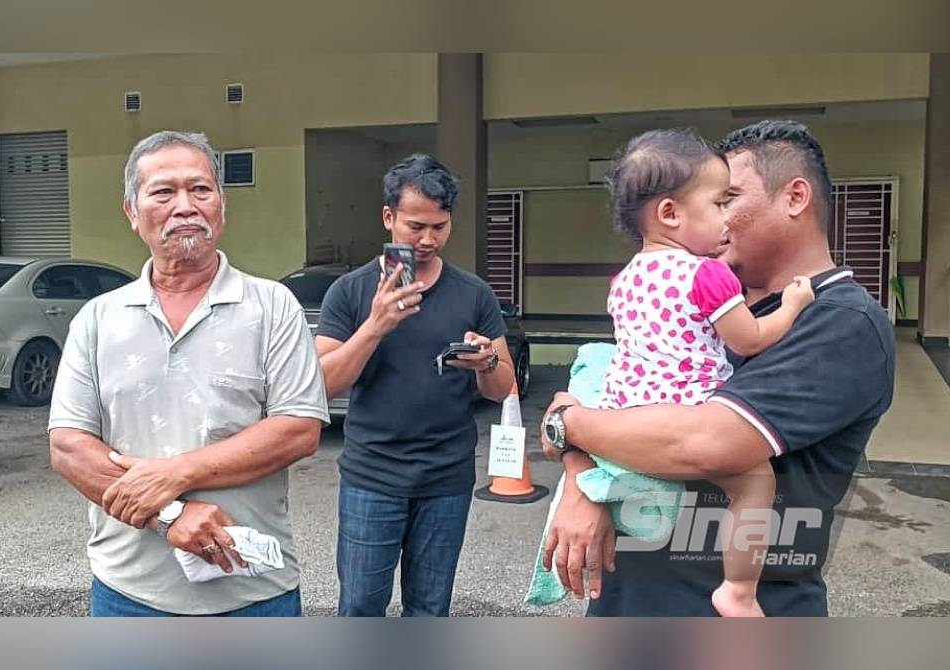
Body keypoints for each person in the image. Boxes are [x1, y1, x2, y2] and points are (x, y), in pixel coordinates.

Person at [540, 120, 896, 616]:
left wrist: (570, 426)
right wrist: (582, 479)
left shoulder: (842, 323)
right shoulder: (703, 298)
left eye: (728, 199)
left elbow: (699, 443)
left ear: (795, 198)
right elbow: (604, 387)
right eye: (715, 202)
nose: (719, 219)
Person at [49, 130, 329, 616]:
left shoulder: (272, 307)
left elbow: (298, 430)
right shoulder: (97, 319)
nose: (185, 206)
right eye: (163, 191)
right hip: (128, 596)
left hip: (253, 594)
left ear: (222, 205)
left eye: (200, 189)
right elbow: (69, 448)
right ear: (132, 213)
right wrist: (169, 514)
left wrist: (173, 473)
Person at [578, 128, 815, 616]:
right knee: (756, 483)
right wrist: (791, 307)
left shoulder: (622, 280)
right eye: (719, 203)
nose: (727, 218)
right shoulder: (706, 274)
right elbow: (748, 338)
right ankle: (738, 590)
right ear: (670, 213)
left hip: (627, 411)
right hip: (682, 410)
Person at [314, 153, 516, 616]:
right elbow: (322, 384)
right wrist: (375, 325)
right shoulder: (350, 291)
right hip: (373, 475)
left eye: (439, 227)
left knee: (429, 609)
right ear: (389, 218)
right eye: (415, 226)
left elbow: (502, 389)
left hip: (447, 477)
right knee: (361, 607)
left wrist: (485, 361)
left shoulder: (474, 294)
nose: (427, 240)